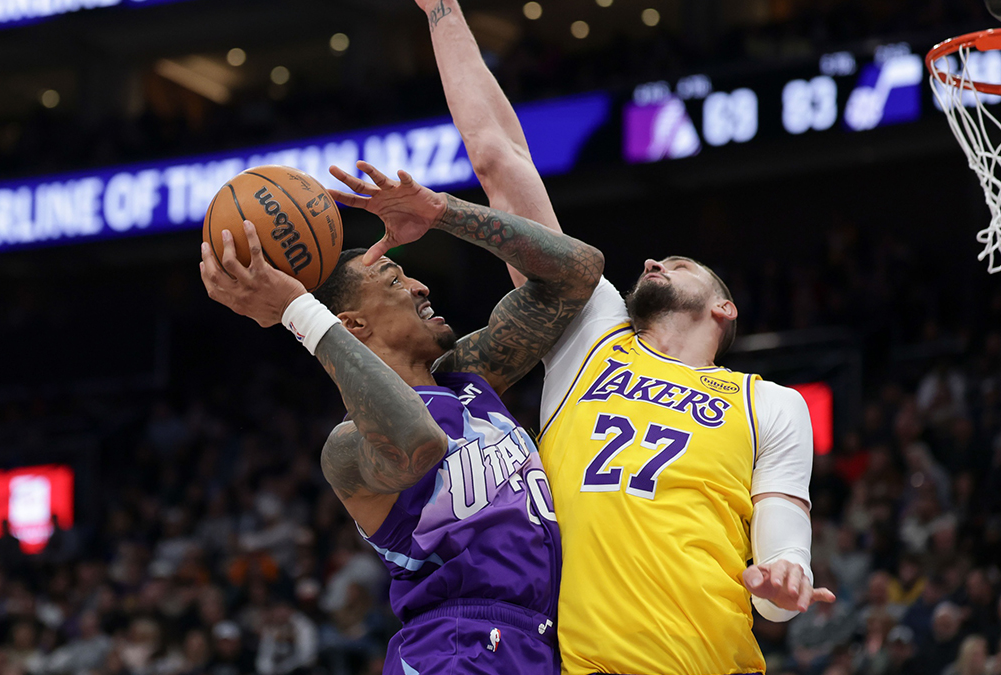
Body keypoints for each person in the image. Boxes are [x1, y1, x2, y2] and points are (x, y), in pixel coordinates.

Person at [413, 1, 834, 673]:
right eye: (653, 260)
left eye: (679, 261)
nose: (651, 262)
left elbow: (783, 588)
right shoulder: (591, 331)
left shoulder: (771, 405)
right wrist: (442, 12)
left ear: (723, 308)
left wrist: (783, 580)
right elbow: (500, 160)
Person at [199, 160, 605, 674]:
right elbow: (419, 442)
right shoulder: (348, 449)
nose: (420, 287)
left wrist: (442, 211)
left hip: (539, 642)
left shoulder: (466, 378)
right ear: (352, 323)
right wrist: (296, 310)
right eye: (395, 280)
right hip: (454, 649)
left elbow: (579, 272)